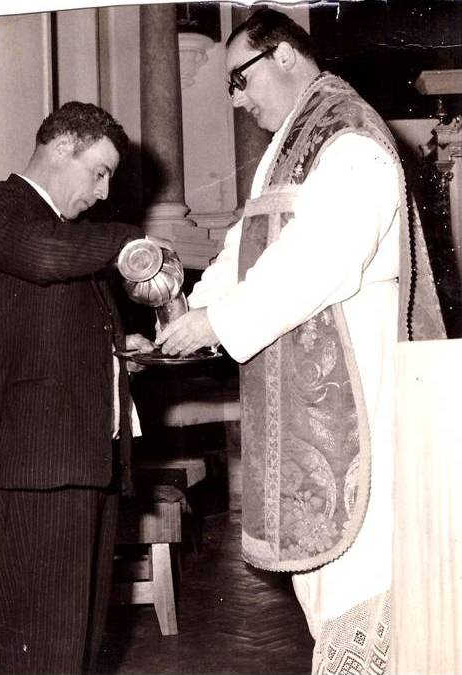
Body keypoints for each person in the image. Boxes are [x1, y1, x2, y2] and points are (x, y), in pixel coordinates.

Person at [156, 8, 445, 672]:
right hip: (306, 366)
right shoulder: (293, 145)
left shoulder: (348, 135)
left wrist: (218, 322)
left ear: (284, 55)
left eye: (240, 79)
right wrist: (192, 313)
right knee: (328, 577)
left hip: (355, 369)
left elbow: (321, 256)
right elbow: (249, 246)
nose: (237, 99)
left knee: (363, 563)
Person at [0, 101, 155, 674]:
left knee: (76, 647)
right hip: (40, 465)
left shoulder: (59, 232)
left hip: (80, 461)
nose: (103, 192)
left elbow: (48, 328)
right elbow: (44, 257)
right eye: (99, 172)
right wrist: (133, 242)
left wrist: (119, 351)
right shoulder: (0, 206)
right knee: (45, 650)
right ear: (63, 146)